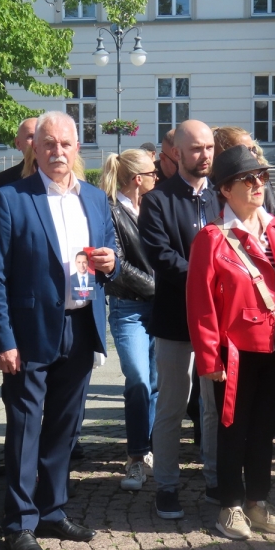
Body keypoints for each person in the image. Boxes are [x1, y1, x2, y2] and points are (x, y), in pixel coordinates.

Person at [0, 111, 118, 550]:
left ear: (78, 147)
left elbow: (111, 257)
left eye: (65, 144)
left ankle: (52, 509)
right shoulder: (11, 198)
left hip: (80, 325)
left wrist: (110, 263)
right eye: (48, 144)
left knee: (65, 426)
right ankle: (19, 522)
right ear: (34, 148)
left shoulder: (94, 198)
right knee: (25, 428)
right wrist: (2, 338)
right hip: (29, 331)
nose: (57, 151)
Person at [188, 145, 275, 540]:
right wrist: (209, 357)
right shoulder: (211, 238)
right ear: (225, 190)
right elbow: (200, 304)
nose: (258, 184)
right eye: (248, 179)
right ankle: (229, 505)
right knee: (233, 429)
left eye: (261, 176)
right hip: (235, 351)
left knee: (265, 428)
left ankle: (257, 503)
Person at [138, 119, 222, 520]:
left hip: (218, 319)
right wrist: (209, 279)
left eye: (209, 148)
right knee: (172, 404)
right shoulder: (157, 200)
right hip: (175, 318)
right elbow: (160, 255)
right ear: (177, 153)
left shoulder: (222, 195)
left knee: (214, 405)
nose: (204, 155)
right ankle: (167, 485)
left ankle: (216, 478)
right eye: (196, 149)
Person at [100, 149, 159, 491]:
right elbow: (117, 265)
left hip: (158, 307)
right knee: (138, 379)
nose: (157, 178)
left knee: (155, 382)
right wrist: (156, 288)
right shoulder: (110, 210)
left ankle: (149, 449)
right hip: (129, 308)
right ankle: (136, 457)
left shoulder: (153, 207)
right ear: (138, 179)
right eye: (153, 173)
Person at [0, 117, 38, 247]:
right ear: (18, 143)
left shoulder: (68, 182)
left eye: (41, 136)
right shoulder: (0, 183)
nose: (36, 142)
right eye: (31, 137)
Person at [213, 126, 275, 217]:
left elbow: (272, 214)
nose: (253, 155)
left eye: (253, 149)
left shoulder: (260, 180)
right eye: (246, 150)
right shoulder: (210, 190)